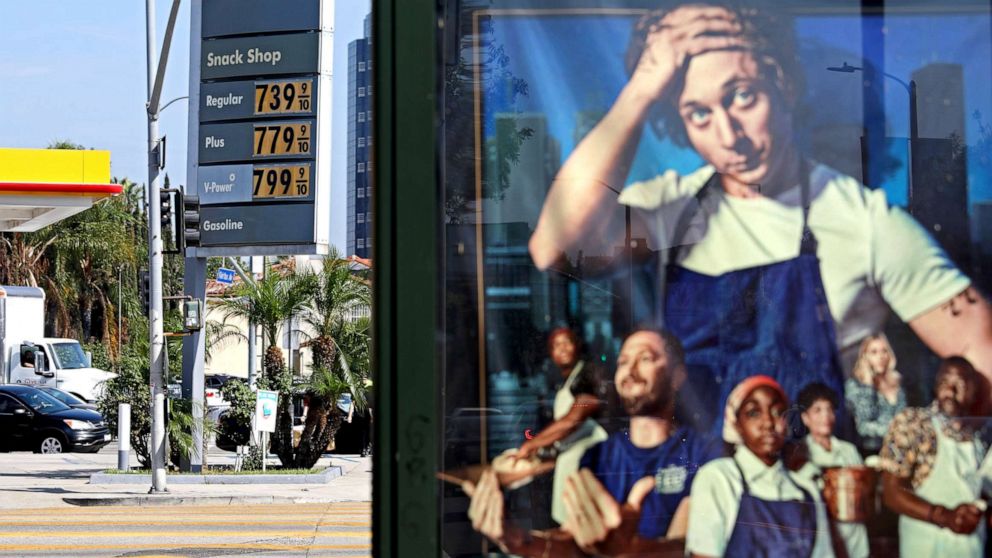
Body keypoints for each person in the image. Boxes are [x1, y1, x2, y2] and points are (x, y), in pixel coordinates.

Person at [527, 0, 992, 436]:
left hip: (813, 500)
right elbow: (553, 245)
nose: (730, 136)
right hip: (700, 500)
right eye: (699, 113)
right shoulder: (672, 208)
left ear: (784, 84)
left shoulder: (866, 223)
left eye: (743, 96)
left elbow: (980, 351)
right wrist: (642, 89)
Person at [464, 328, 720, 556]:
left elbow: (687, 546)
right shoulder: (596, 456)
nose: (629, 371)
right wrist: (520, 541)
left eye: (645, 359)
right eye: (622, 361)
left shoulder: (705, 454)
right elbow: (572, 542)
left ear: (677, 376)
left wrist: (630, 550)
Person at [686, 375, 833, 557]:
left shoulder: (807, 491)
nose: (768, 423)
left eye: (778, 412)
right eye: (753, 413)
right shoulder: (718, 478)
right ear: (736, 423)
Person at [879, 356, 992, 557]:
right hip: (925, 548)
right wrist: (945, 516)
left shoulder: (980, 438)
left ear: (975, 393)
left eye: (960, 384)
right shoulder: (913, 423)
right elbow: (891, 493)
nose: (950, 391)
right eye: (944, 382)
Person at [516, 328, 609, 524]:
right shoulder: (566, 383)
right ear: (551, 353)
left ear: (577, 346)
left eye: (567, 342)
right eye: (556, 345)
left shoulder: (587, 374)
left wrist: (531, 445)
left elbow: (573, 419)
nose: (563, 348)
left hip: (591, 458)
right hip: (570, 458)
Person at [797, 382, 869, 558]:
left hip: (854, 534)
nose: (826, 416)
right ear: (805, 418)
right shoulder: (800, 452)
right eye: (818, 410)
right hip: (823, 536)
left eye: (830, 409)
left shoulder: (848, 450)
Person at [845, 334, 906, 454]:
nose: (881, 357)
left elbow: (904, 415)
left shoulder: (897, 381)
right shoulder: (855, 385)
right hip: (871, 450)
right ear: (865, 356)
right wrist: (868, 385)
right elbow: (863, 425)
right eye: (874, 352)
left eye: (884, 351)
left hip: (900, 448)